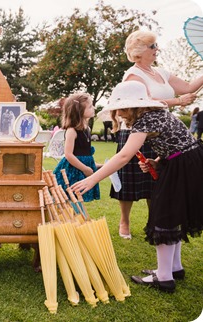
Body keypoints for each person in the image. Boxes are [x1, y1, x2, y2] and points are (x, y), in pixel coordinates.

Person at [72, 81, 203, 293]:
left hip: (181, 167)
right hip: (186, 162)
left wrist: (93, 179)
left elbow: (124, 155)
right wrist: (157, 160)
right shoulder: (157, 115)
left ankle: (164, 278)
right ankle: (174, 268)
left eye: (122, 109)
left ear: (135, 106)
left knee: (164, 218)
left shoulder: (146, 120)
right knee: (173, 216)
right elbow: (177, 143)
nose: (120, 114)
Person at [113, 29, 203, 239]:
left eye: (156, 45)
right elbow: (144, 103)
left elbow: (188, 87)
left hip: (159, 132)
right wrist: (177, 102)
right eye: (152, 46)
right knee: (131, 179)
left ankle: (157, 219)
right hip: (137, 130)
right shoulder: (133, 75)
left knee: (157, 177)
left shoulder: (161, 72)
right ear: (138, 52)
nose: (157, 49)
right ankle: (124, 221)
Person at [53, 92, 101, 202]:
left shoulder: (87, 129)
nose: (93, 108)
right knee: (73, 196)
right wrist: (85, 169)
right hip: (74, 170)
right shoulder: (72, 131)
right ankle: (74, 217)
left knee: (80, 198)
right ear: (79, 111)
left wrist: (96, 166)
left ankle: (78, 216)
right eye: (90, 106)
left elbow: (84, 153)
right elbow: (69, 154)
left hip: (84, 168)